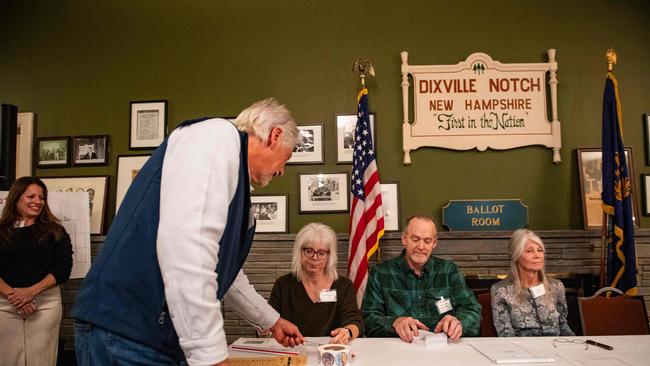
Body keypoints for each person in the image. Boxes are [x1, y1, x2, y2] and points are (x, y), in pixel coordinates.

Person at [72, 98, 304, 365]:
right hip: (126, 334)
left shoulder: (236, 181)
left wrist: (271, 321)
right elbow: (189, 250)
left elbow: (225, 274)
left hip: (154, 339)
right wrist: (211, 355)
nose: (281, 170)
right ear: (275, 136)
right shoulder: (216, 137)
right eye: (285, 159)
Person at [362, 213, 481, 342]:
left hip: (443, 348)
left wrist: (458, 322)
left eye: (427, 241)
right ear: (404, 239)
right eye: (415, 239)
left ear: (434, 243)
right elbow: (368, 318)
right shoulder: (381, 273)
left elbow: (472, 310)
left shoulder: (449, 271)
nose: (421, 246)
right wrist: (394, 322)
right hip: (399, 349)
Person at [0, 177, 73, 366]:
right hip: (4, 302)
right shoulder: (1, 231)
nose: (37, 202)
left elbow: (63, 269)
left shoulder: (56, 231)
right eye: (31, 196)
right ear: (16, 198)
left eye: (41, 197)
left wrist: (30, 292)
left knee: (41, 360)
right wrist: (15, 296)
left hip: (45, 303)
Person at [269, 223, 363, 344]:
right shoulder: (283, 285)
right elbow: (268, 322)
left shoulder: (344, 285)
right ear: (300, 252)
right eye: (309, 251)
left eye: (322, 253)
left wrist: (347, 332)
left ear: (330, 255)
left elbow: (356, 322)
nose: (315, 257)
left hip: (331, 349)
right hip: (293, 350)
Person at [490, 229, 574, 337]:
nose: (537, 255)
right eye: (529, 251)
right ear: (516, 256)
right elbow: (506, 335)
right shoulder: (500, 291)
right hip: (521, 349)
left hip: (555, 347)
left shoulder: (556, 286)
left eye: (539, 250)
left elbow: (563, 325)